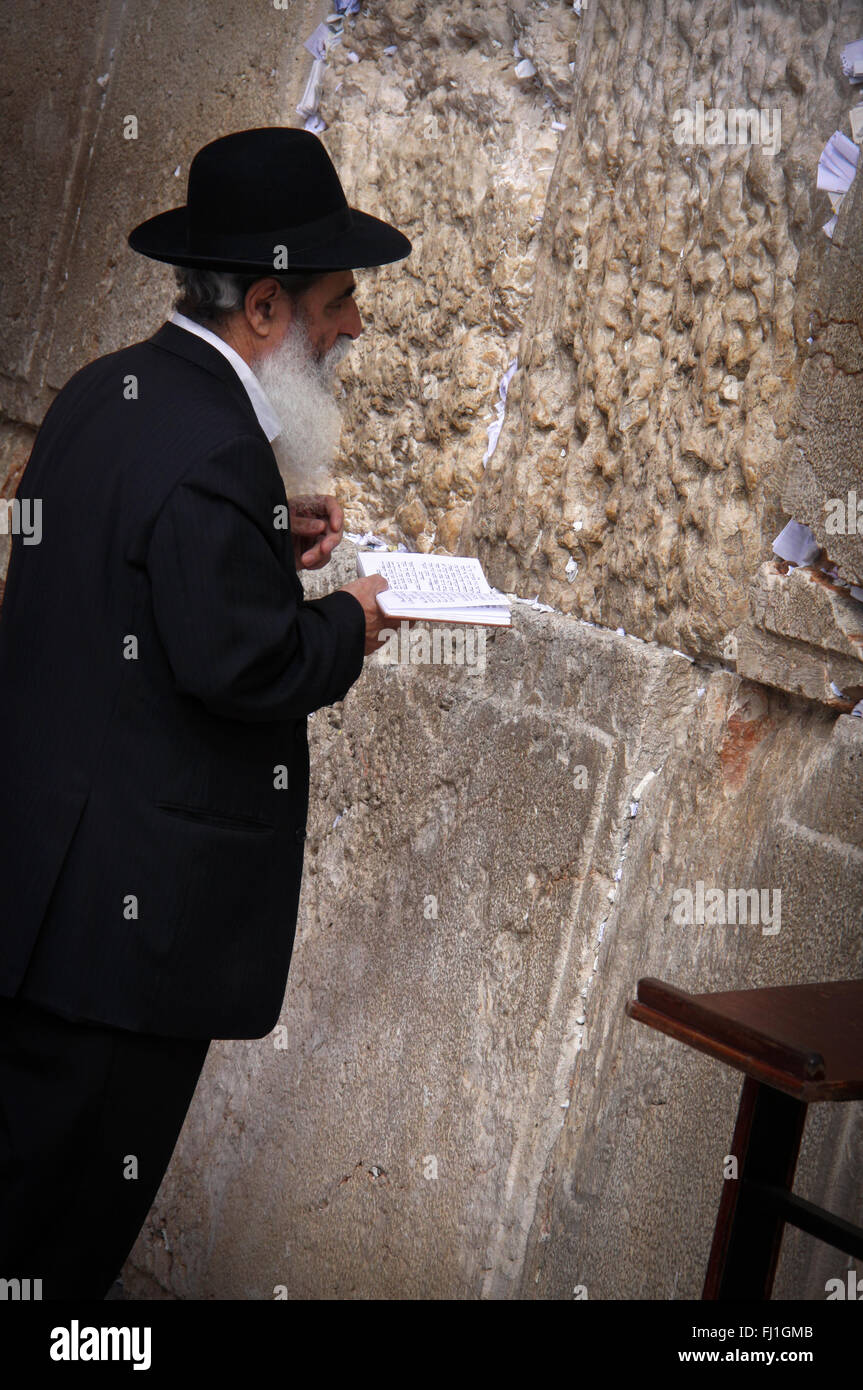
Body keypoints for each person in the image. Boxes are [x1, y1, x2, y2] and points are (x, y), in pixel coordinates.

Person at [0, 127, 410, 1299]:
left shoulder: (103, 393)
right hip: (120, 946)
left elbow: (121, 565)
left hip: (39, 905)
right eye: (338, 303)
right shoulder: (217, 452)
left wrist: (257, 541)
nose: (352, 329)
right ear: (267, 307)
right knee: (57, 1249)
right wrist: (353, 620)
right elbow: (247, 666)